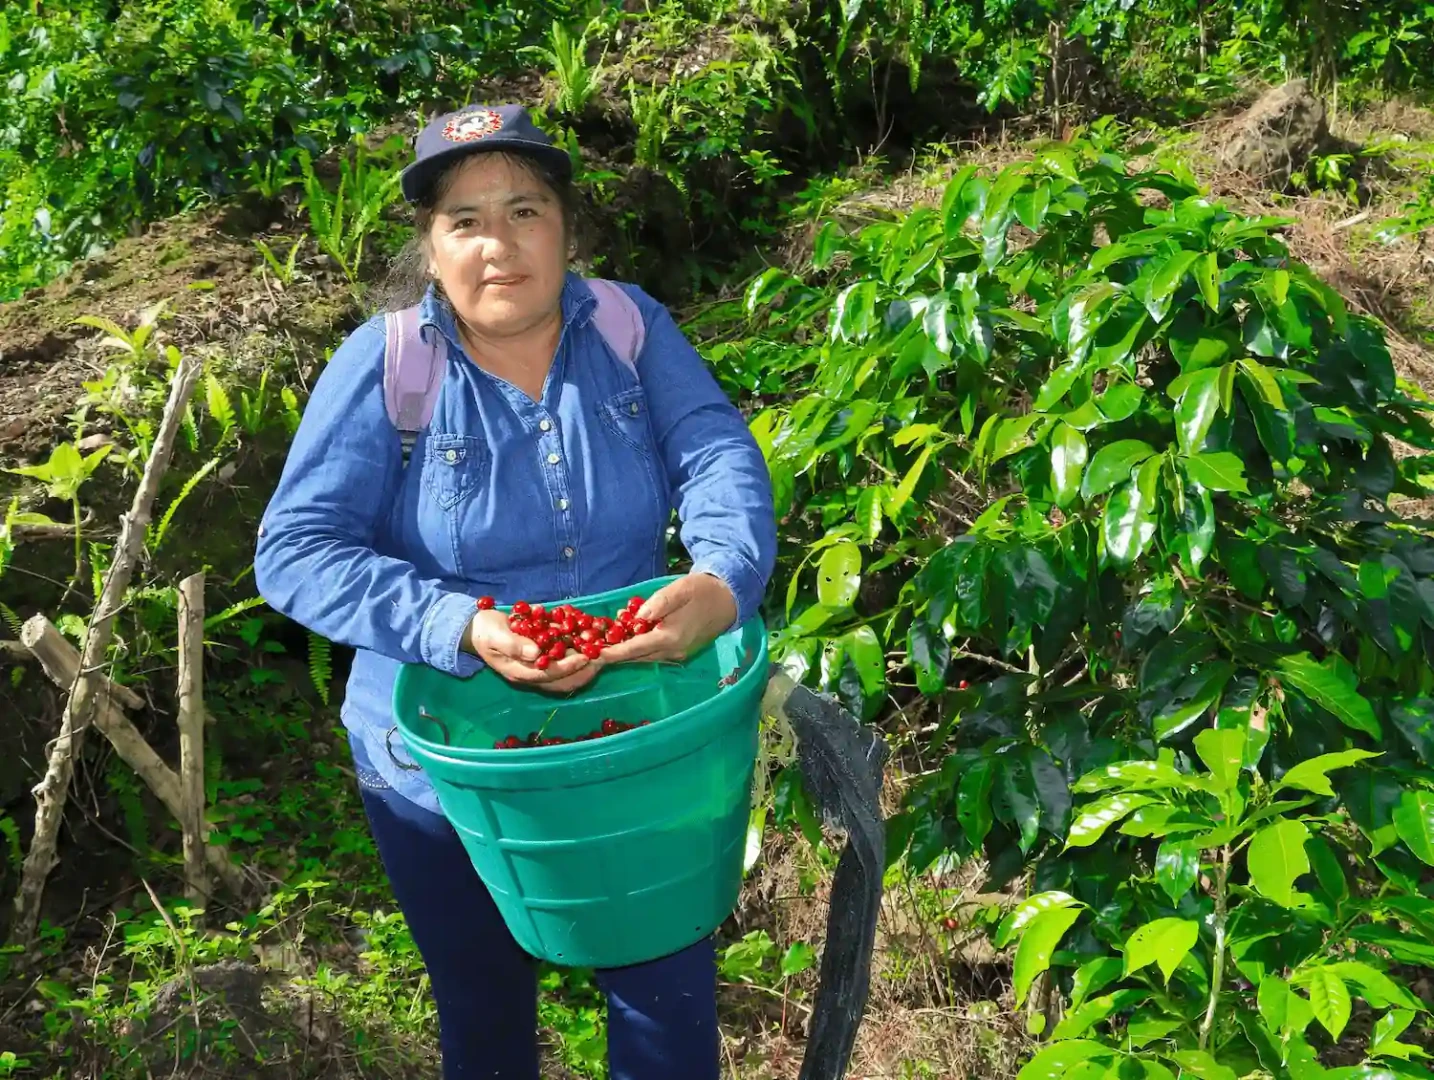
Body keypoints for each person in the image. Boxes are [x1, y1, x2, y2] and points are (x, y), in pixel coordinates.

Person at [253, 103, 777, 1080]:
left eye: (525, 209)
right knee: (486, 1014)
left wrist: (722, 577)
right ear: (430, 245)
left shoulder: (628, 329)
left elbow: (716, 456)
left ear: (565, 225)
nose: (500, 243)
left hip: (636, 742)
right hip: (441, 771)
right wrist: (460, 621)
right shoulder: (389, 365)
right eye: (465, 219)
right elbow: (294, 549)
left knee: (667, 1009)